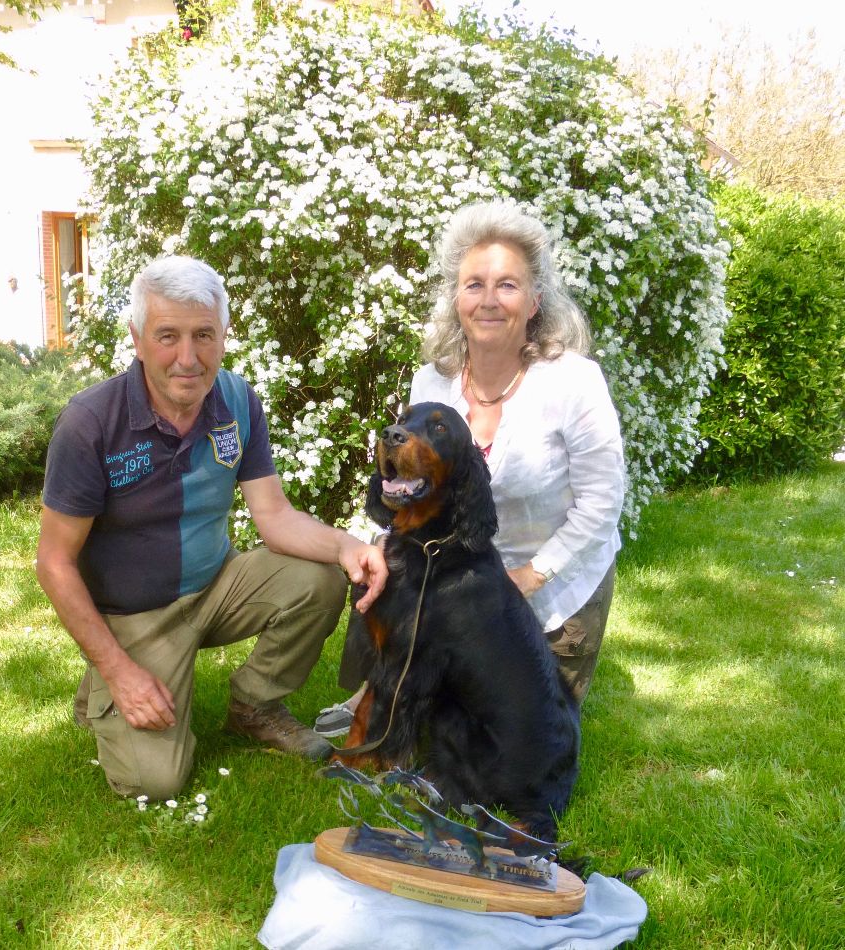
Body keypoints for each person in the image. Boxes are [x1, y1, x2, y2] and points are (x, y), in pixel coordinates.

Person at [37, 255, 387, 801]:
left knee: (319, 579)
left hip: (215, 586)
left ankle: (255, 706)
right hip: (135, 614)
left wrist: (347, 544)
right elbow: (54, 564)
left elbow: (273, 517)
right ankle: (107, 682)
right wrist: (122, 671)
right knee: (156, 783)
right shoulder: (90, 423)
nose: (187, 357)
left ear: (224, 335)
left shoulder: (237, 401)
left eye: (204, 335)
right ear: (136, 339)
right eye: (167, 336)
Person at [315, 201, 624, 736]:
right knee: (434, 720)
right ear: (456, 300)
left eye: (507, 285)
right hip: (458, 574)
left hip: (555, 583)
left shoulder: (575, 382)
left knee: (523, 727)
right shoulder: (431, 384)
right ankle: (382, 689)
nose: (488, 300)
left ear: (534, 302)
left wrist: (530, 576)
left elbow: (602, 501)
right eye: (473, 284)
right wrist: (380, 548)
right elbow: (408, 485)